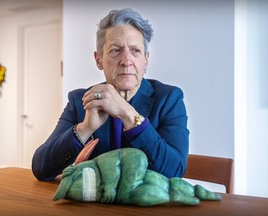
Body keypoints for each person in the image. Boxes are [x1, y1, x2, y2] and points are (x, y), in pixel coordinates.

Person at [32, 8, 189, 181]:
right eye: (116, 50)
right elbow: (41, 168)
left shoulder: (169, 99)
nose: (126, 61)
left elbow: (175, 171)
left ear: (146, 60)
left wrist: (127, 113)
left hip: (147, 207)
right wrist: (85, 128)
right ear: (99, 60)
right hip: (93, 205)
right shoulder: (80, 101)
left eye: (135, 50)